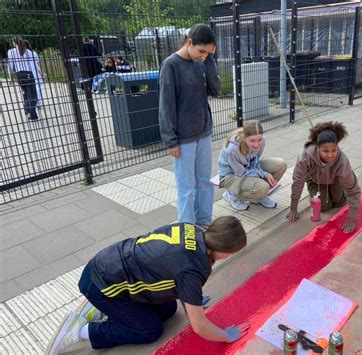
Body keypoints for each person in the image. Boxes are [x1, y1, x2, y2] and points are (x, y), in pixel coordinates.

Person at [45, 216, 249, 354]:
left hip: (106, 264)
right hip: (101, 284)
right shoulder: (193, 270)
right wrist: (225, 335)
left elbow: (166, 266)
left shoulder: (191, 229)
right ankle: (80, 331)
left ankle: (99, 309)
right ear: (224, 247)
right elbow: (199, 326)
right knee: (149, 330)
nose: (230, 256)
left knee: (169, 308)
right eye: (231, 252)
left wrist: (190, 297)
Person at [159, 24, 220, 229]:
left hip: (203, 133)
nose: (203, 56)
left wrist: (209, 60)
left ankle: (203, 222)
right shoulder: (171, 65)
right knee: (186, 187)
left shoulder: (201, 62)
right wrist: (170, 140)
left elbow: (216, 89)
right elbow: (166, 106)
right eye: (202, 51)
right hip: (183, 138)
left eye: (208, 53)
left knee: (204, 181)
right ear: (189, 42)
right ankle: (187, 229)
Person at [287, 121, 361, 233]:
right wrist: (293, 209)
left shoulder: (342, 161)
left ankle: (337, 193)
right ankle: (319, 193)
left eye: (334, 150)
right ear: (318, 148)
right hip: (315, 180)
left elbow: (353, 190)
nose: (330, 155)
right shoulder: (305, 156)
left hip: (335, 179)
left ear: (337, 147)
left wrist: (352, 219)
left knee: (339, 202)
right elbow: (298, 181)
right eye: (325, 151)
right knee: (323, 207)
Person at [217, 120, 287, 211]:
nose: (257, 144)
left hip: (248, 168)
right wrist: (264, 174)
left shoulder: (262, 141)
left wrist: (261, 174)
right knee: (263, 187)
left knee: (281, 164)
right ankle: (232, 195)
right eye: (252, 140)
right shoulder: (233, 149)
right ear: (244, 138)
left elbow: (255, 161)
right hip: (231, 175)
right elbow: (241, 172)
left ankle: (259, 195)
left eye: (259, 139)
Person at [7, 37, 39, 120]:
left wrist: (11, 78)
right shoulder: (29, 52)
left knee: (26, 93)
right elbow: (35, 63)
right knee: (32, 94)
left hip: (19, 75)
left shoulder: (11, 52)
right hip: (28, 74)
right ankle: (32, 114)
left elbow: (10, 66)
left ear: (14, 43)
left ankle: (27, 110)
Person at [24, 40, 45, 108]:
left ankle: (36, 102)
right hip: (35, 72)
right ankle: (38, 102)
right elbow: (38, 64)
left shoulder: (22, 54)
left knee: (33, 89)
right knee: (38, 88)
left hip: (27, 74)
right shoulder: (33, 53)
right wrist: (42, 73)